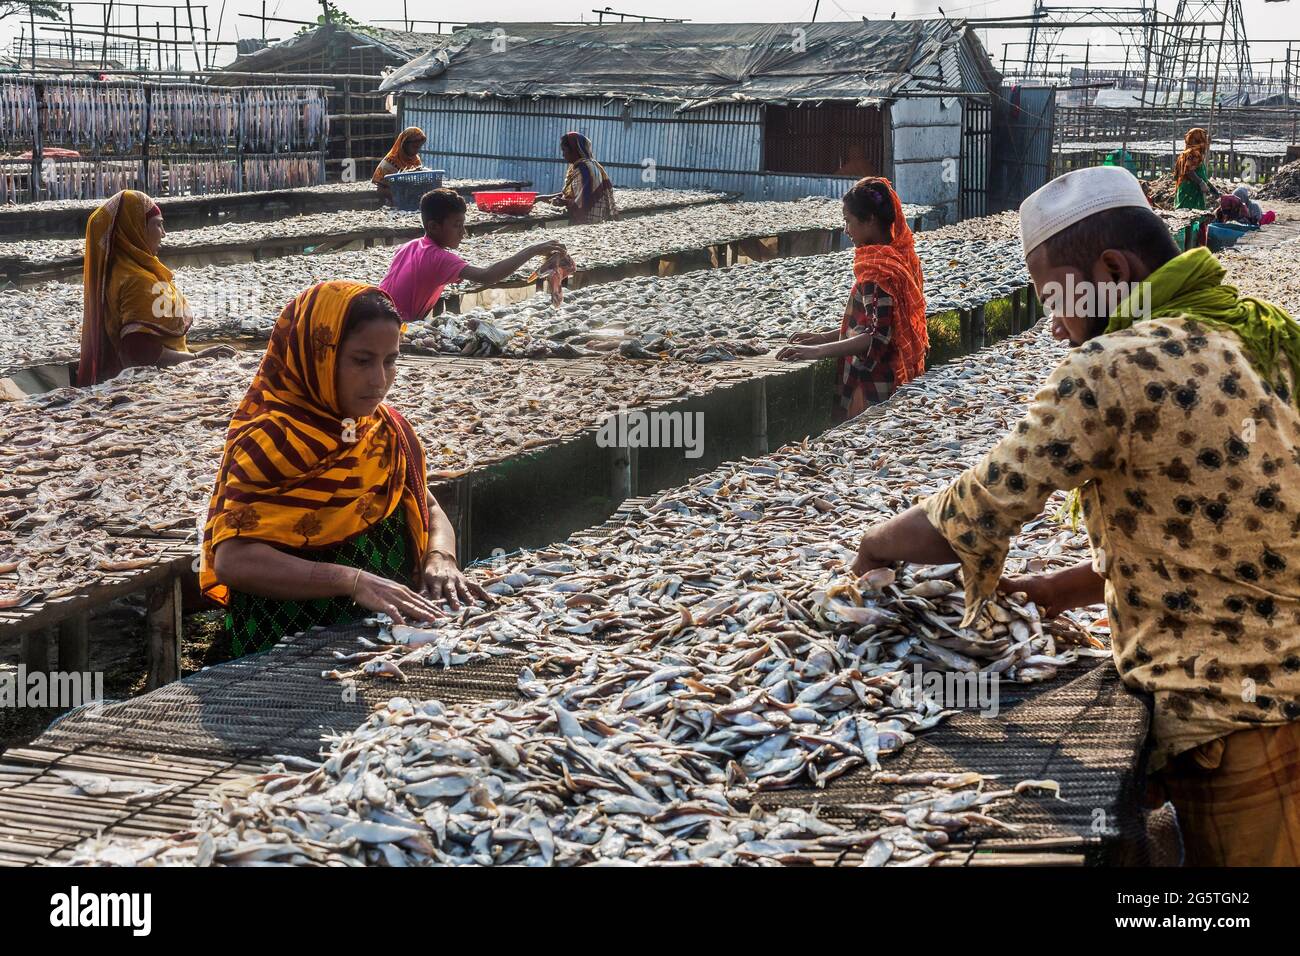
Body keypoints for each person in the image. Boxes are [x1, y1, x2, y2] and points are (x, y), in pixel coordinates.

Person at [849, 165, 1300, 866]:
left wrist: (874, 547)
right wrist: (1059, 590)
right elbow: (1214, 528)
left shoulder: (1113, 366)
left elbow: (978, 507)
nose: (1056, 327)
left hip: (1244, 724)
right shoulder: (1251, 332)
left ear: (1111, 269)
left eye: (1053, 300)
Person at [201, 281, 487, 659]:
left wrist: (441, 557)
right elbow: (233, 560)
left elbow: (429, 507)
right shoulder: (269, 442)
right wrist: (348, 580)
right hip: (281, 643)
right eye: (361, 360)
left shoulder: (388, 430)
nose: (379, 381)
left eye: (390, 361)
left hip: (383, 636)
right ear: (318, 356)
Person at [775, 177, 928, 421]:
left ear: (869, 220)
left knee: (867, 444)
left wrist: (816, 352)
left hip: (872, 384)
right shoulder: (899, 258)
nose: (846, 230)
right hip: (885, 378)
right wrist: (820, 337)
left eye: (848, 222)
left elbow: (876, 337)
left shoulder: (879, 271)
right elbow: (873, 325)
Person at [76, 189, 235, 386]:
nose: (164, 233)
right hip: (150, 385)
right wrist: (197, 358)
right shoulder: (137, 280)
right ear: (136, 229)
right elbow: (136, 351)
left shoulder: (118, 270)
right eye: (158, 225)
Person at [379, 188, 566, 324]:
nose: (463, 232)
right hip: (389, 325)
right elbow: (487, 276)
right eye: (457, 225)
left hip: (378, 315)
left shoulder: (409, 246)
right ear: (434, 227)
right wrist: (532, 250)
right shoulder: (437, 257)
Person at [538, 132, 618, 225]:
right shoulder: (588, 164)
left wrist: (563, 202)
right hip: (594, 218)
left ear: (575, 150)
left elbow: (581, 203)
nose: (563, 155)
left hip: (588, 221)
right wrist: (541, 198)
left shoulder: (584, 169)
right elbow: (571, 193)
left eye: (564, 150)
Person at [372, 126, 427, 205]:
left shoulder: (416, 160)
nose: (416, 150)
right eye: (414, 147)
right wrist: (399, 199)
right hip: (393, 205)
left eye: (419, 147)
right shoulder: (389, 162)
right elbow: (380, 190)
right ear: (404, 144)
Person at [1173, 127, 1214, 210]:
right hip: (1191, 191)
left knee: (1183, 214)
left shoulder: (1185, 153)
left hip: (1185, 190)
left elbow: (1198, 174)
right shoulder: (1194, 152)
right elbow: (1189, 171)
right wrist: (1201, 183)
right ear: (1199, 139)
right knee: (1192, 216)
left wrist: (1214, 190)